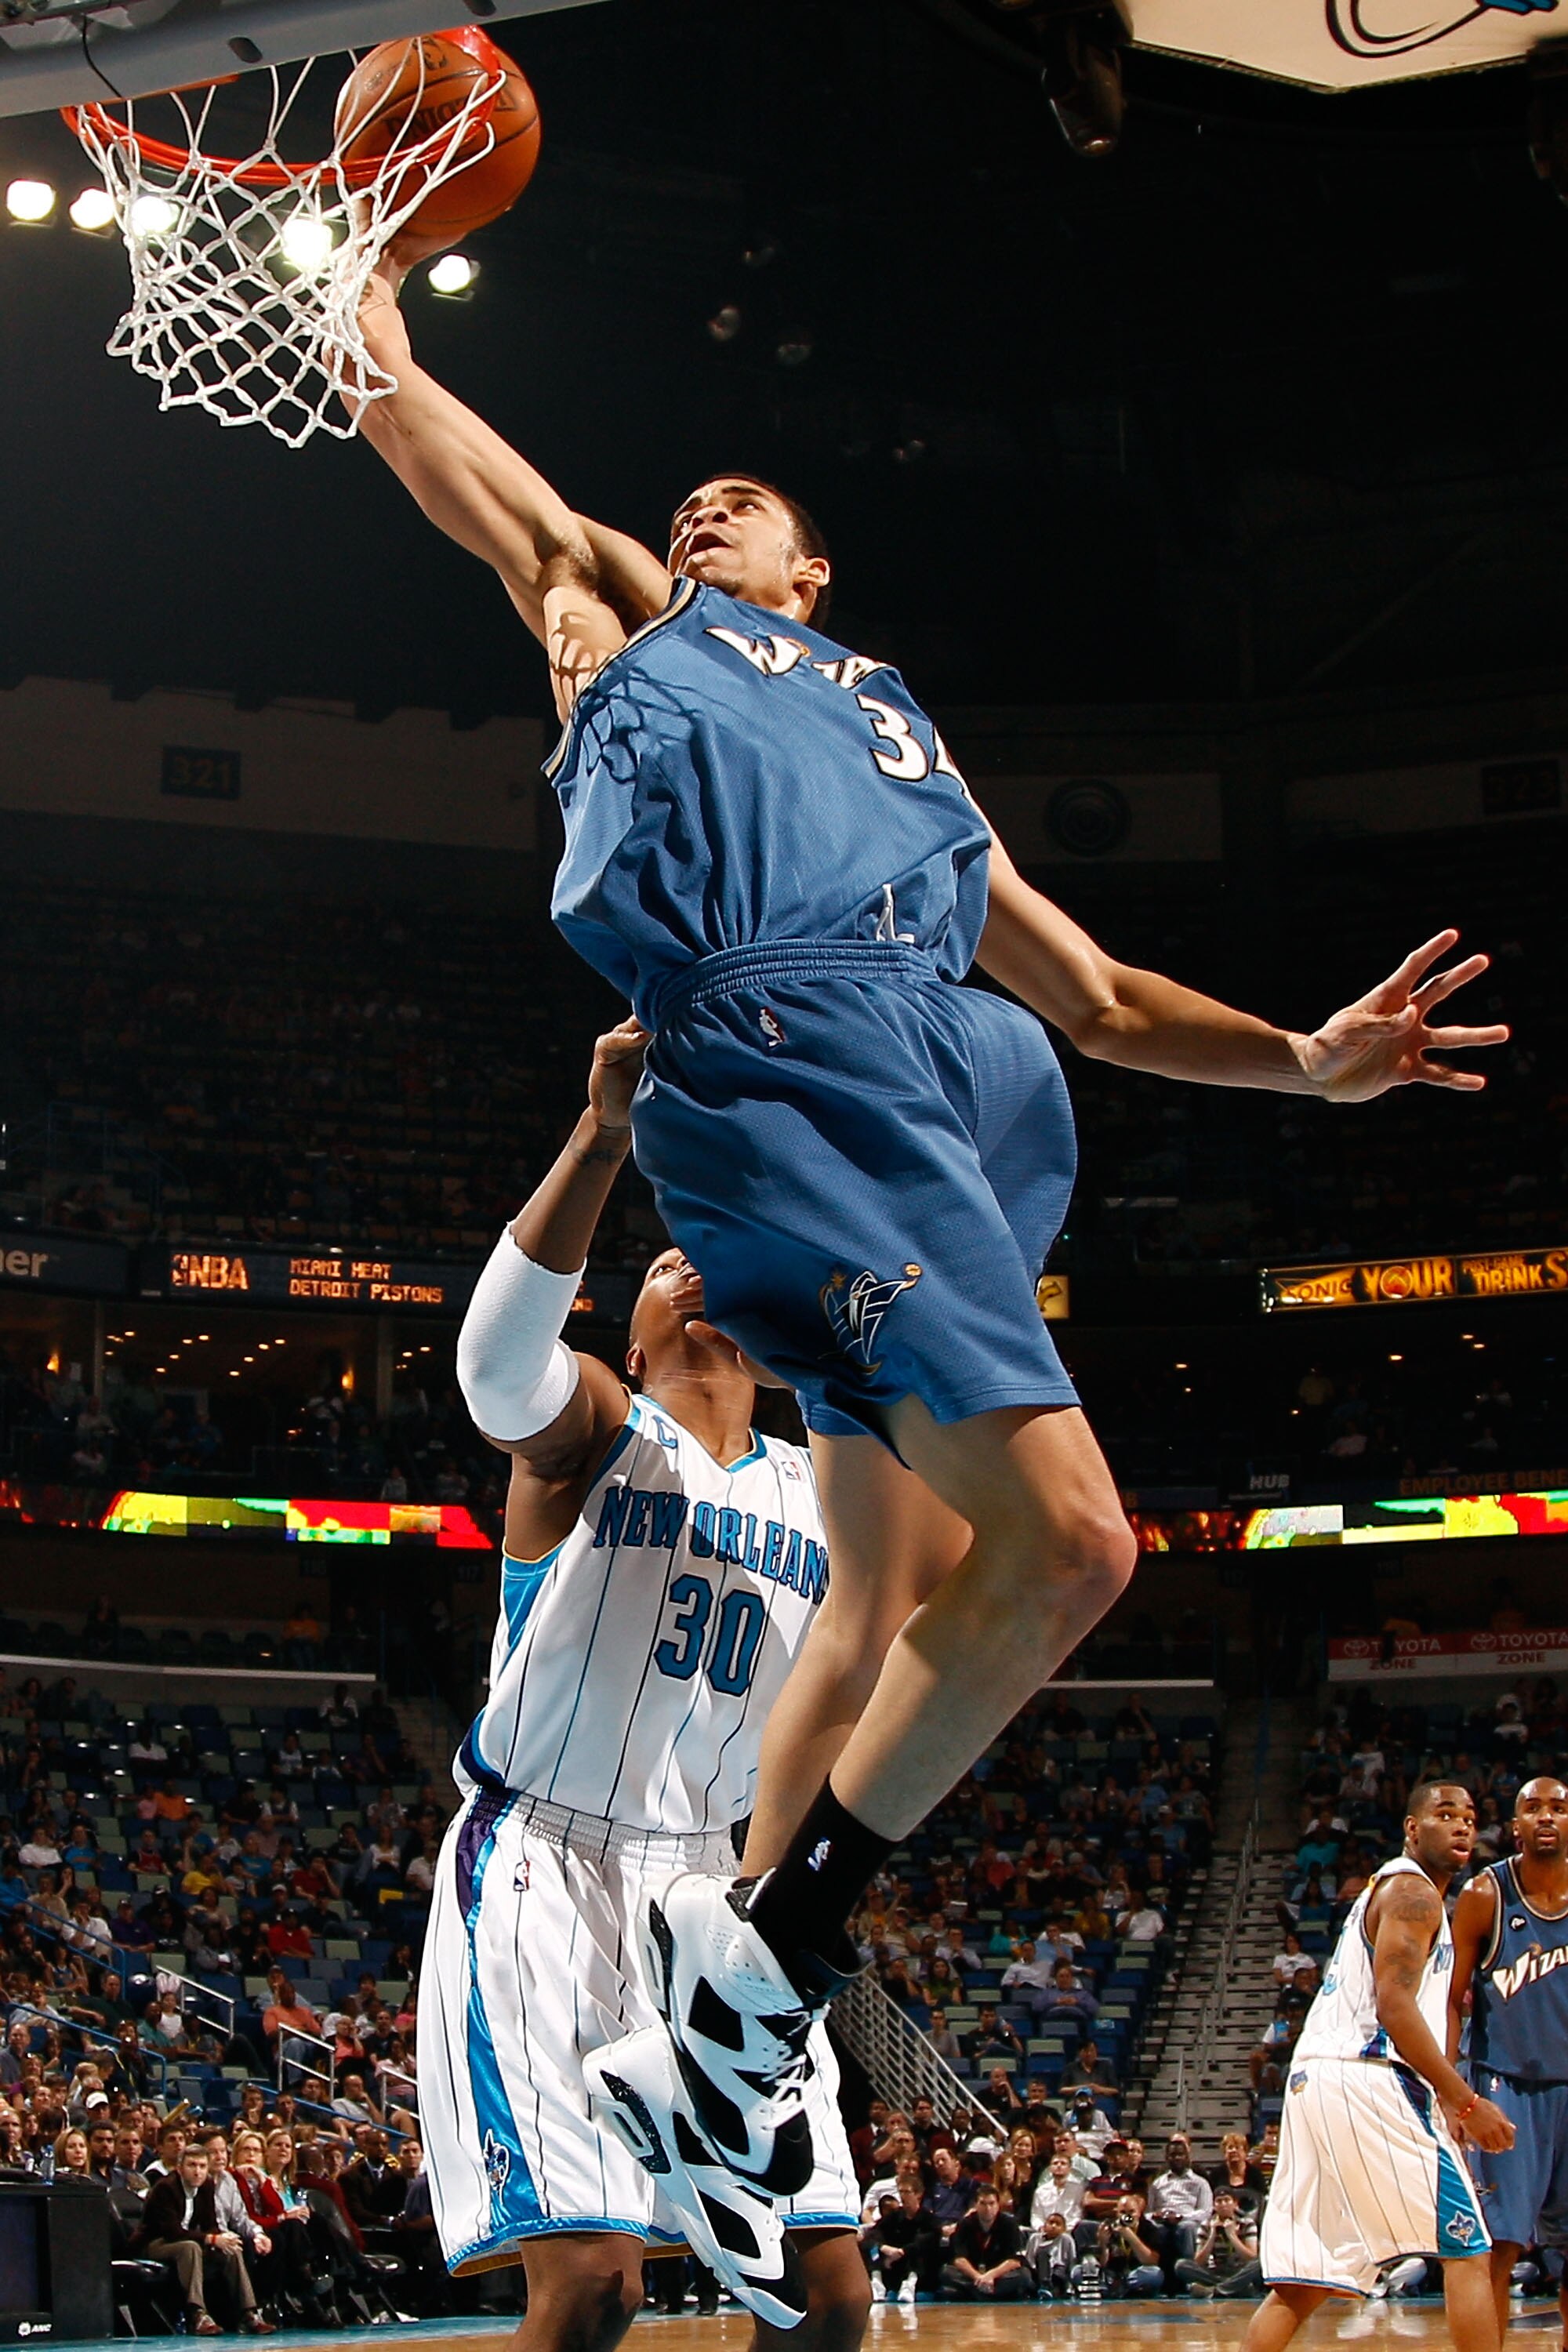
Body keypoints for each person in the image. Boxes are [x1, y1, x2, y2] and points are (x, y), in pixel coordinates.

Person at [358, 252, 1508, 2212]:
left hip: (940, 1074)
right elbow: (510, 501)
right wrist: (373, 337)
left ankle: (725, 1995)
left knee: (882, 1589)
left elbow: (1101, 994)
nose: (704, 508)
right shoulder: (639, 623)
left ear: (819, 575)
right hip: (787, 1049)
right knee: (1074, 1543)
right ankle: (761, 1968)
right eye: (688, 503)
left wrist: (1308, 1067)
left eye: (751, 504)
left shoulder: (891, 730)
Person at [418, 1026, 864, 2343]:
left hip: (721, 1890)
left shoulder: (829, 1487)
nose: (690, 1267)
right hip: (546, 1860)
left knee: (832, 2295)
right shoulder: (605, 1426)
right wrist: (602, 1135)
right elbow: (496, 1368)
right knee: (599, 2279)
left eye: (717, 1258)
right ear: (631, 1323)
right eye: (665, 1264)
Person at [1245, 1784, 1512, 2352]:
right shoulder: (1414, 1894)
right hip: (1366, 2077)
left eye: (1469, 1818)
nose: (1462, 1826)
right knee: (1468, 2251)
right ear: (1413, 1829)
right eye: (1445, 1816)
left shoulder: (1396, 1890)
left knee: (1302, 2283)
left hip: (1316, 2078)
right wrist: (1464, 2099)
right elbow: (1394, 2006)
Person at [1449, 1775, 1568, 2348]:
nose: (1546, 1817)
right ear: (1514, 1824)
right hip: (1505, 2088)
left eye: (1559, 1808)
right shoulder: (1484, 1896)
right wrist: (1452, 2096)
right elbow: (1448, 2002)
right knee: (1498, 2246)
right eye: (1533, 1808)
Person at [140, 2140, 274, 2335]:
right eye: (192, 2166)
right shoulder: (165, 2188)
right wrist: (211, 2239)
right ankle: (197, 2314)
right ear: (180, 2168)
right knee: (190, 2247)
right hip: (156, 2243)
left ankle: (248, 2313)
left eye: (202, 2166)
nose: (198, 2172)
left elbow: (210, 2224)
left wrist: (223, 2238)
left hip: (188, 2241)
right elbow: (172, 2232)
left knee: (231, 2249)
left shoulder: (207, 2185)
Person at [939, 2183, 1029, 2301]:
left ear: (998, 2205)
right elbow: (958, 2259)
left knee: (1024, 2275)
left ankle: (977, 2294)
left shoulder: (1009, 2224)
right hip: (973, 2273)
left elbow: (1015, 2261)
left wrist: (991, 2275)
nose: (988, 2209)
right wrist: (979, 2277)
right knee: (946, 2273)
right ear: (976, 2205)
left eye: (992, 2204)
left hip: (998, 2275)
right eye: (983, 2204)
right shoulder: (965, 2224)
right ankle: (989, 2293)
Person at [1174, 2189, 1262, 2297]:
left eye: (1227, 2200)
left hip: (1240, 2270)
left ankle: (1215, 2291)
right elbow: (1199, 2261)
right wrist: (1212, 2235)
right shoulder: (1206, 2225)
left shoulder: (1248, 2224)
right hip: (1215, 2271)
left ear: (1235, 2204)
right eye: (1219, 2201)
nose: (1223, 2204)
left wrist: (1232, 2236)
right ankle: (1235, 2288)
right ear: (1214, 2206)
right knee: (1181, 2265)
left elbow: (1251, 2258)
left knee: (1260, 2262)